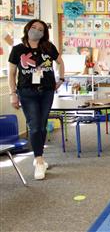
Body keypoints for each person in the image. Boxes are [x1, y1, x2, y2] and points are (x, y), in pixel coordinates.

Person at [8, 19, 65, 180]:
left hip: (47, 91)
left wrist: (60, 79)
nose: (37, 31)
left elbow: (60, 62)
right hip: (27, 92)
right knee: (34, 125)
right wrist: (13, 94)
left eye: (41, 29)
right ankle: (39, 161)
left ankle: (39, 155)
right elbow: (11, 73)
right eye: (34, 27)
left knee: (42, 124)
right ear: (27, 29)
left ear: (44, 33)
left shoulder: (48, 47)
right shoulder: (18, 50)